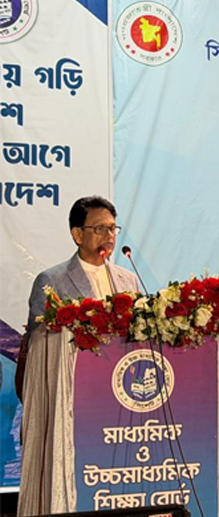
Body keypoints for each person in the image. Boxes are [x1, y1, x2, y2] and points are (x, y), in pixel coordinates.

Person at [18, 196, 141, 515]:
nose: (109, 236)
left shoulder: (128, 279)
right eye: (100, 228)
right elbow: (39, 346)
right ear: (77, 234)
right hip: (74, 400)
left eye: (113, 229)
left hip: (122, 400)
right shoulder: (52, 280)